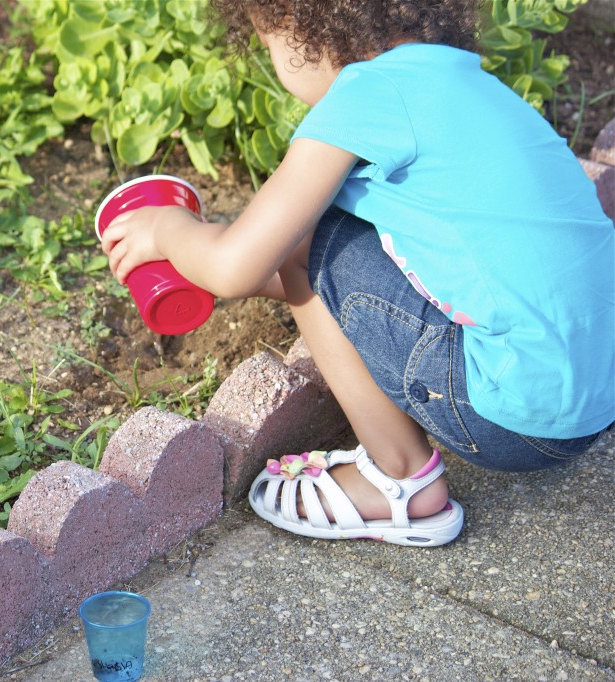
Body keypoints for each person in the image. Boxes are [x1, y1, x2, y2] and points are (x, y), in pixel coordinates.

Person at [99, 0, 615, 546]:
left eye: (267, 43)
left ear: (297, 28)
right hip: (594, 392)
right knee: (317, 243)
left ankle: (401, 481)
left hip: (515, 419)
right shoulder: (460, 79)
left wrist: (167, 230)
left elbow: (238, 268)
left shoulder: (366, 96)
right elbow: (313, 275)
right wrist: (206, 262)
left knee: (313, 237)